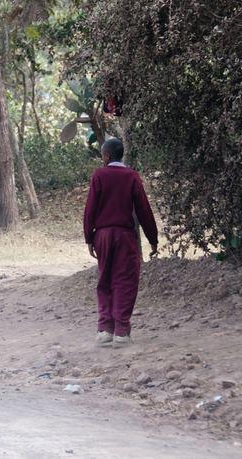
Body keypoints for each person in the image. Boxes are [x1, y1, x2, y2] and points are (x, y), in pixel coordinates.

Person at [83, 138, 158, 348]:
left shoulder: (99, 175)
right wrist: (153, 238)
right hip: (125, 235)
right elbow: (144, 209)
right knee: (125, 280)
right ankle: (122, 332)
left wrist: (89, 237)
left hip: (103, 236)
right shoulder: (132, 176)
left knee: (104, 279)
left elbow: (90, 209)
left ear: (106, 156)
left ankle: (104, 330)